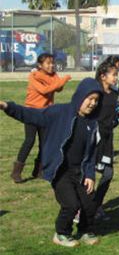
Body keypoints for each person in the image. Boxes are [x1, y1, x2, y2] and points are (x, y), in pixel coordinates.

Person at [1, 78, 103, 247]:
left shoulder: (92, 124)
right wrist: (7, 106)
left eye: (96, 100)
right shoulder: (59, 112)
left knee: (90, 202)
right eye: (89, 98)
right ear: (80, 96)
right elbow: (31, 114)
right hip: (60, 171)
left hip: (80, 171)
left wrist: (90, 174)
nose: (92, 103)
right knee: (71, 204)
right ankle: (61, 233)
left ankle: (84, 231)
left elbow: (91, 153)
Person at [12, 53, 72, 183]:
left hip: (46, 113)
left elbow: (59, 88)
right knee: (29, 141)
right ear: (40, 65)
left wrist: (60, 81)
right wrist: (65, 79)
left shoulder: (53, 75)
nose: (51, 65)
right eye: (48, 63)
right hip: (31, 112)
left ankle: (39, 170)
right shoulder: (34, 76)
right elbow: (44, 90)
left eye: (52, 63)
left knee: (45, 143)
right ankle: (16, 172)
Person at [93, 61, 119, 221]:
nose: (116, 78)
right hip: (93, 140)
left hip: (107, 140)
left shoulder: (114, 94)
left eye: (117, 74)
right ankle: (83, 207)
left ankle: (96, 205)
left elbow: (113, 118)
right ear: (103, 76)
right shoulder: (94, 92)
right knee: (88, 174)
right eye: (114, 74)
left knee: (108, 173)